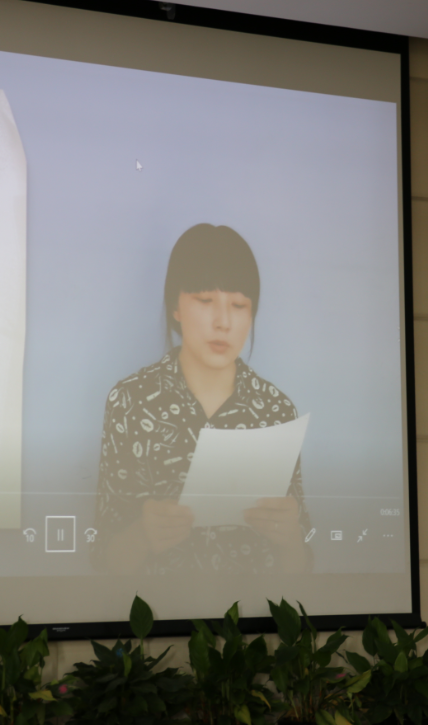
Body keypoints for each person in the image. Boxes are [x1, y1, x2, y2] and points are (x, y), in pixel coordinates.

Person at [91, 224, 311, 574]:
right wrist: (142, 535)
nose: (223, 322)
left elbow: (301, 572)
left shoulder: (276, 410)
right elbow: (104, 561)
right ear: (175, 306)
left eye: (239, 305)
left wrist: (291, 538)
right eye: (205, 301)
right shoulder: (131, 401)